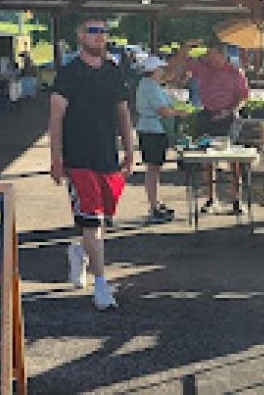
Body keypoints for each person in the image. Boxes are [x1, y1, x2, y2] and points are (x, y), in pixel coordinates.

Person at [48, 18, 135, 310]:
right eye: (93, 31)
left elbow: (123, 112)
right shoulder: (69, 73)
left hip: (107, 156)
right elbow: (56, 117)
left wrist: (130, 150)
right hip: (78, 158)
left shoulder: (113, 71)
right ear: (81, 35)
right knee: (92, 220)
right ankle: (101, 284)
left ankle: (78, 252)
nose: (99, 36)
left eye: (103, 31)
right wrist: (56, 158)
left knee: (103, 218)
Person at [169, 39, 250, 215]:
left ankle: (236, 198)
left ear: (223, 56)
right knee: (207, 156)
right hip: (207, 114)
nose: (210, 60)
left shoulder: (236, 72)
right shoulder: (203, 66)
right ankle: (211, 198)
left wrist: (230, 111)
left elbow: (243, 97)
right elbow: (182, 61)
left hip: (228, 116)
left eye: (213, 57)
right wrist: (187, 46)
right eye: (209, 56)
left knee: (232, 158)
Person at [134, 56, 191, 223]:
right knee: (153, 169)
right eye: (161, 69)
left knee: (155, 168)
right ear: (154, 70)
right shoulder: (150, 86)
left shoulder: (150, 85)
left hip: (153, 129)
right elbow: (163, 110)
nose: (163, 71)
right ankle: (153, 206)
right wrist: (180, 113)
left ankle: (156, 203)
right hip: (152, 130)